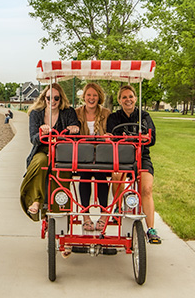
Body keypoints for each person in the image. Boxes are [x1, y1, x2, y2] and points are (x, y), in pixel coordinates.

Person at [106, 84, 161, 244]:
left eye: (130, 96)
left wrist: (141, 138)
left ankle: (151, 228)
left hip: (141, 156)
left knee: (146, 189)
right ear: (119, 100)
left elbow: (152, 139)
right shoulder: (114, 118)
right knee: (116, 177)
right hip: (121, 157)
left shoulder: (144, 117)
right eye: (124, 97)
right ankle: (117, 208)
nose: (128, 100)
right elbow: (111, 136)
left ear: (135, 98)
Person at [20, 84, 80, 221]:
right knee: (41, 162)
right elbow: (33, 139)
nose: (52, 101)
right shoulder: (36, 113)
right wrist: (41, 133)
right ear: (44, 98)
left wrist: (74, 128)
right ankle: (35, 200)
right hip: (42, 149)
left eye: (56, 98)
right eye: (49, 98)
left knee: (61, 168)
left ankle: (61, 205)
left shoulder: (68, 112)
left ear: (61, 99)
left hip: (62, 151)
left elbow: (76, 127)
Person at [75, 83, 111, 231]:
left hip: (101, 153)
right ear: (84, 96)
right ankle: (86, 216)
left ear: (99, 97)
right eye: (89, 95)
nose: (91, 98)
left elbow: (111, 131)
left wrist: (108, 136)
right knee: (85, 174)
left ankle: (103, 214)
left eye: (94, 95)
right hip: (84, 153)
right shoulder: (77, 113)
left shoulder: (106, 113)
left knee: (100, 174)